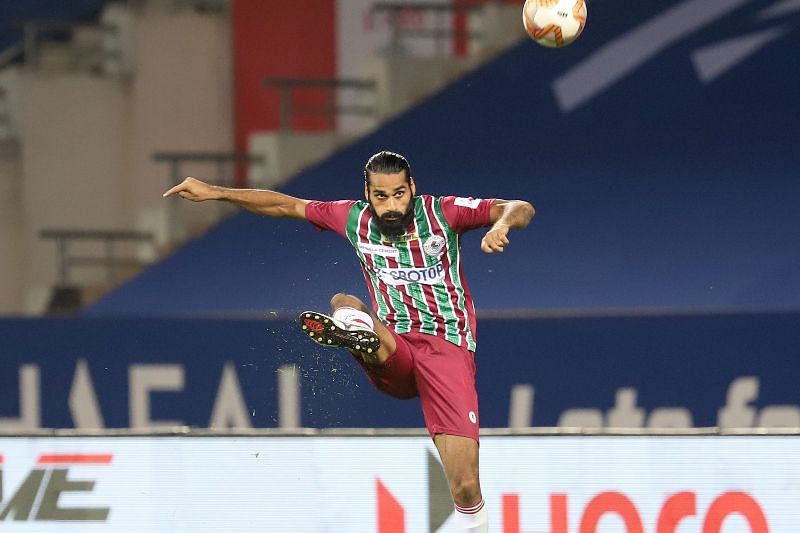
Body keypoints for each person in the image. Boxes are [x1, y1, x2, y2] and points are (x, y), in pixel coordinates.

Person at [164, 151, 534, 532]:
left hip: (446, 348)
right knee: (345, 301)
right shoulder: (352, 217)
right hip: (396, 348)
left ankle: (358, 335)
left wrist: (501, 224)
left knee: (466, 486)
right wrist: (215, 192)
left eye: (398, 194)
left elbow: (519, 206)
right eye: (381, 196)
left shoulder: (443, 213)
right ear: (367, 194)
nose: (391, 205)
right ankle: (359, 336)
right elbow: (284, 204)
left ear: (412, 188)